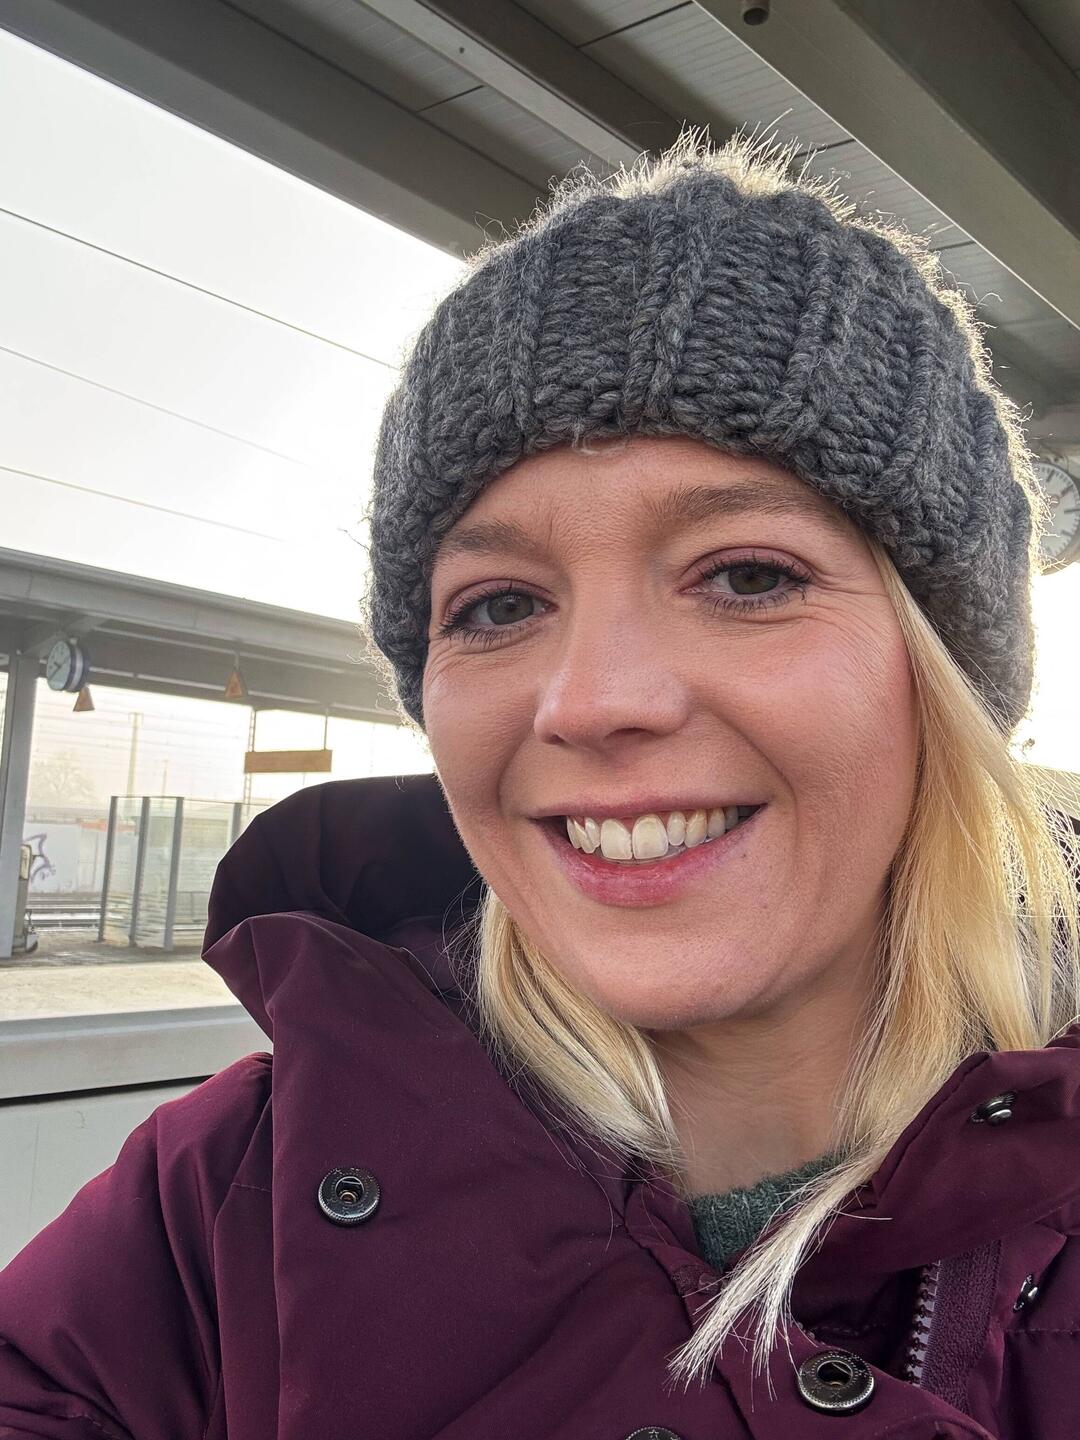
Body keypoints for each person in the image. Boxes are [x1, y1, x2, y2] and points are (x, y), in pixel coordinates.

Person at [1, 128, 1078, 1440]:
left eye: (749, 575)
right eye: (500, 604)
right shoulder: (215, 1207)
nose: (590, 701)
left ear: (945, 681)